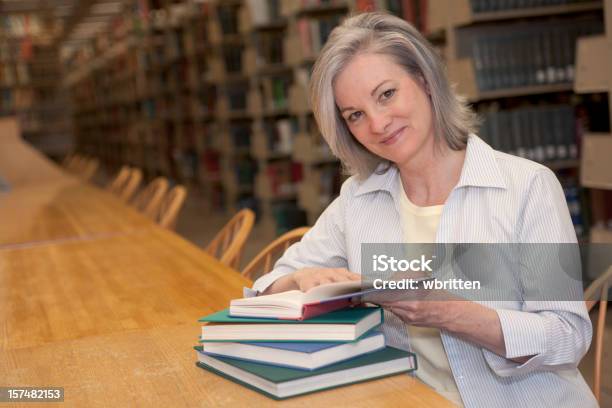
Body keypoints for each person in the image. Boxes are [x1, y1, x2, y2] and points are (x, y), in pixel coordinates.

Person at [246, 12, 596, 408]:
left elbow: (568, 338)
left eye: (386, 94)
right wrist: (303, 277)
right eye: (355, 115)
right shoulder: (358, 199)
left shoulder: (527, 187)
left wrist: (449, 312)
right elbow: (265, 287)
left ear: (426, 81)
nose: (377, 124)